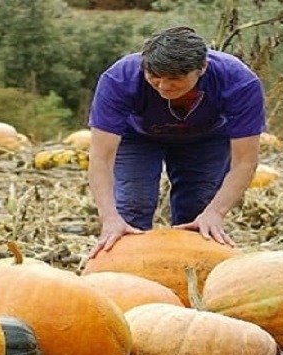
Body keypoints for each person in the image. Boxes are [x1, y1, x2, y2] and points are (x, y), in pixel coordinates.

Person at [86, 26, 266, 258]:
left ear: (202, 68)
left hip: (206, 140)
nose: (163, 86)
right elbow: (101, 157)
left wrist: (216, 213)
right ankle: (130, 277)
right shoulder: (119, 79)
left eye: (175, 79)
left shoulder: (239, 82)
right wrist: (109, 218)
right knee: (132, 207)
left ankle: (188, 277)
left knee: (198, 213)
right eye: (154, 77)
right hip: (138, 139)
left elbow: (244, 161)